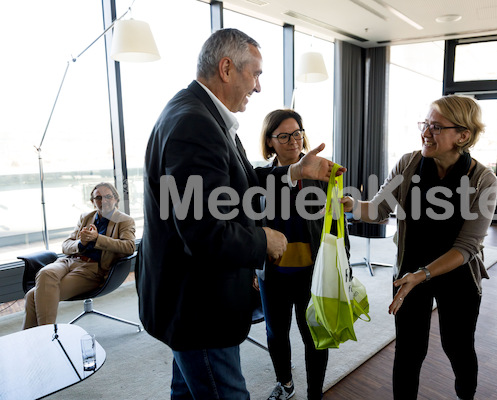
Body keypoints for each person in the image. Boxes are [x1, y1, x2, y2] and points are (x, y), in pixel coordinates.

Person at [137, 29, 343, 400]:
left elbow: (245, 179)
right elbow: (204, 230)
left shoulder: (202, 115)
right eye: (257, 74)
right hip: (199, 308)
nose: (259, 87)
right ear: (227, 68)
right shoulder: (194, 124)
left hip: (190, 303)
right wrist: (264, 239)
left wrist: (295, 171)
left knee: (187, 393)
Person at [341, 95, 497, 400]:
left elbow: (466, 247)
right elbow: (378, 210)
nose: (426, 132)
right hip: (408, 273)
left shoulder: (482, 180)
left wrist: (423, 274)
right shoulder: (409, 163)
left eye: (436, 127)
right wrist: (349, 206)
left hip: (457, 275)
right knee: (409, 352)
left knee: (457, 347)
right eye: (425, 124)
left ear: (463, 136)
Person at [255, 109, 350, 400]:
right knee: (276, 334)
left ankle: (314, 393)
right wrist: (250, 268)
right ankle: (285, 384)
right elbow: (250, 224)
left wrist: (344, 264)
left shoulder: (323, 173)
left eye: (297, 133)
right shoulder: (259, 178)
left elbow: (337, 224)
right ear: (270, 141)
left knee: (314, 337)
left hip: (313, 271)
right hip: (274, 273)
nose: (293, 140)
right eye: (283, 135)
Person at [23, 182, 135, 329]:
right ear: (93, 201)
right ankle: (39, 338)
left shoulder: (124, 220)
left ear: (115, 198)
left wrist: (97, 238)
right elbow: (65, 245)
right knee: (45, 272)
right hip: (69, 261)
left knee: (33, 296)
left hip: (92, 269)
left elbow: (129, 247)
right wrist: (80, 243)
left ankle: (45, 336)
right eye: (98, 197)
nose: (104, 201)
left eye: (108, 196)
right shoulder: (85, 217)